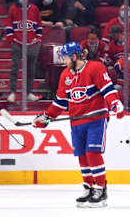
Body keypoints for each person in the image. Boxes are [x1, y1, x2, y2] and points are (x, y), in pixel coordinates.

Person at [32, 41, 124, 208]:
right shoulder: (65, 75)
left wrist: (115, 104)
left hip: (96, 119)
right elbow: (60, 102)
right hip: (76, 121)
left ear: (75, 56)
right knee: (82, 155)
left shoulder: (95, 68)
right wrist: (46, 117)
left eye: (66, 57)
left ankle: (100, 189)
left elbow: (108, 90)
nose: (64, 61)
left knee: (93, 153)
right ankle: (89, 187)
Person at [5, 0, 42, 103]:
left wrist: (38, 38)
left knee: (31, 69)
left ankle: (29, 92)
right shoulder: (13, 8)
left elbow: (39, 25)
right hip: (17, 43)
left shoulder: (34, 9)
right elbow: (9, 25)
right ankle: (12, 92)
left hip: (32, 44)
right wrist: (11, 39)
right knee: (15, 68)